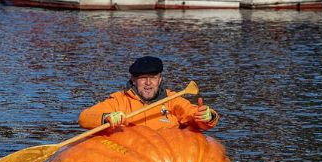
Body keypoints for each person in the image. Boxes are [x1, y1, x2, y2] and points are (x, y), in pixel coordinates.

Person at [78, 56, 219, 131]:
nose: (148, 82)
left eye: (153, 77)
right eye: (142, 78)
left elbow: (192, 114)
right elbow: (85, 117)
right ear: (133, 80)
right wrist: (106, 117)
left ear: (160, 79)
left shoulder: (172, 99)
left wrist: (208, 116)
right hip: (131, 160)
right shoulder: (120, 100)